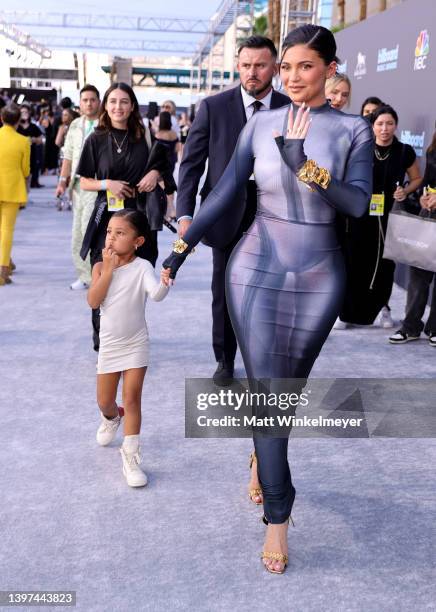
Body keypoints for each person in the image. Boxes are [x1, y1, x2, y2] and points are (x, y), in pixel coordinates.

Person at [162, 25, 373, 573]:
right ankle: (278, 518)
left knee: (286, 392)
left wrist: (305, 164)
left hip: (319, 275)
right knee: (268, 396)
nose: (293, 77)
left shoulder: (355, 130)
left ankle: (262, 452)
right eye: (287, 67)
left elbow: (355, 205)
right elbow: (224, 193)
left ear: (329, 67)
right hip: (255, 265)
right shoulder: (259, 124)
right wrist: (179, 250)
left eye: (305, 66)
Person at [176, 35, 289, 386]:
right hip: (224, 217)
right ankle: (225, 359)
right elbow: (192, 164)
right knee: (224, 291)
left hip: (276, 217)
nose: (252, 72)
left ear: (273, 67)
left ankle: (264, 358)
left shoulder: (291, 107)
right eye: (246, 65)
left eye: (260, 65)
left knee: (271, 291)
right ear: (237, 66)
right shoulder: (213, 107)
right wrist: (185, 214)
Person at [77, 82, 172, 352]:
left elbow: (163, 171)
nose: (118, 107)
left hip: (140, 219)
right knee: (103, 278)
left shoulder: (145, 137)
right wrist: (108, 184)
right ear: (106, 106)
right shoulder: (95, 139)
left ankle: (129, 339)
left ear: (132, 106)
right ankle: (103, 342)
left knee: (135, 283)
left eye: (124, 101)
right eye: (113, 101)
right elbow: (84, 182)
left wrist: (155, 174)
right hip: (107, 221)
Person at [87, 210, 169, 486]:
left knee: (132, 398)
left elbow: (155, 295)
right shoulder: (100, 266)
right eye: (110, 231)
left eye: (120, 233)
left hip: (136, 343)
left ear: (138, 241)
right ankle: (112, 417)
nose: (111, 238)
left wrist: (166, 281)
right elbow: (93, 301)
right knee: (104, 401)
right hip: (110, 345)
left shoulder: (143, 267)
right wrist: (108, 270)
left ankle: (131, 456)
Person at [337, 104, 422, 329]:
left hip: (388, 217)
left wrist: (405, 190)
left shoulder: (404, 151)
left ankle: (383, 308)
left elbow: (416, 178)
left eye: (390, 123)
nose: (385, 129)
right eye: (380, 124)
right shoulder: (361, 148)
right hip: (360, 213)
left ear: (395, 125)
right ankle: (345, 312)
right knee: (354, 261)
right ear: (372, 126)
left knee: (384, 265)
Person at [389, 131, 436, 346]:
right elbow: (427, 180)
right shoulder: (432, 149)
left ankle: (434, 328)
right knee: (418, 273)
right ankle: (411, 326)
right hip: (429, 214)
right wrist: (425, 197)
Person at [56, 84, 101, 290]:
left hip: (96, 184)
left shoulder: (105, 124)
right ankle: (84, 275)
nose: (89, 103)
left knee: (88, 228)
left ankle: (95, 276)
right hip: (77, 185)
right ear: (80, 103)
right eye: (85, 100)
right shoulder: (75, 125)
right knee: (77, 232)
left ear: (99, 102)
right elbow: (68, 155)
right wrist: (62, 181)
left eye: (92, 99)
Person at [0, 104, 30, 285]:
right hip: (12, 189)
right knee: (6, 230)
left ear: (2, 119)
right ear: (18, 121)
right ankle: (3, 269)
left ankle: (6, 261)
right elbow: (26, 170)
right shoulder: (23, 141)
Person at [17, 105, 43, 189]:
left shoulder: (33, 126)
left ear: (29, 113)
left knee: (31, 169)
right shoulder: (16, 126)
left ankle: (29, 186)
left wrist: (33, 139)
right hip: (19, 152)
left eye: (26, 112)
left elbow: (40, 139)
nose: (24, 114)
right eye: (22, 112)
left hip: (31, 151)